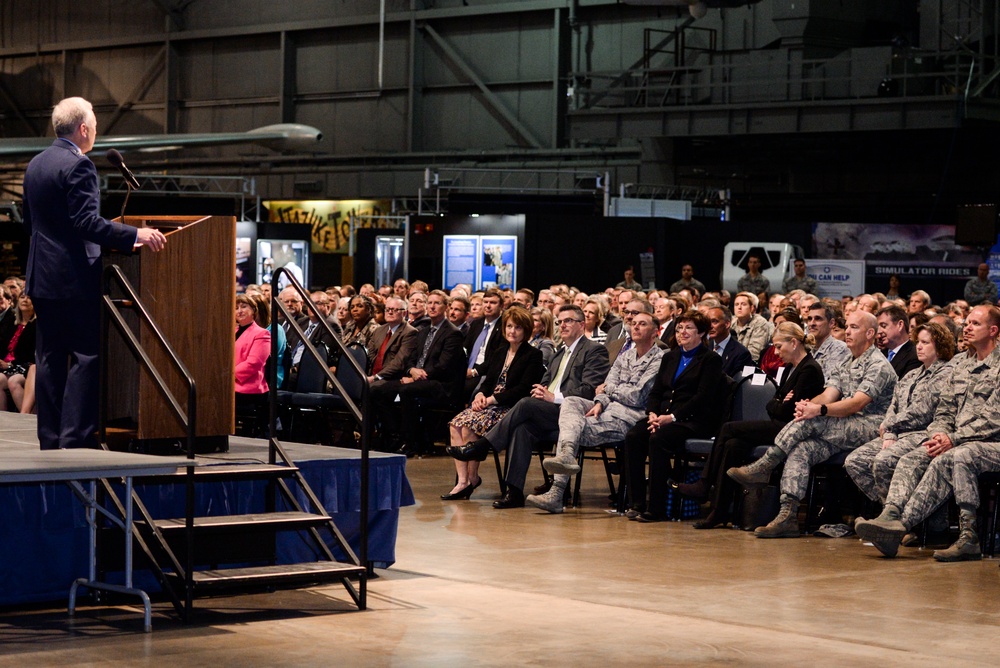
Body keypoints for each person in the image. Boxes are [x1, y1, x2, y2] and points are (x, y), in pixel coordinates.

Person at [21, 97, 166, 450]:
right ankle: (76, 437)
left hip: (41, 274)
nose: (97, 132)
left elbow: (32, 223)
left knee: (50, 358)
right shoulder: (79, 166)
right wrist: (135, 234)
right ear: (83, 128)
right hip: (72, 277)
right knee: (86, 356)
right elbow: (86, 223)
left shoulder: (35, 165)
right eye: (96, 126)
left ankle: (51, 437)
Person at [727, 311, 897, 538]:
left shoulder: (879, 365)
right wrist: (808, 406)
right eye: (847, 327)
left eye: (854, 327)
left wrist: (819, 410)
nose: (847, 331)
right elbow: (829, 394)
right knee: (802, 449)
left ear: (870, 334)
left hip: (872, 426)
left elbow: (857, 403)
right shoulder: (846, 359)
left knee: (813, 421)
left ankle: (765, 465)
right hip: (842, 426)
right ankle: (788, 515)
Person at [855, 305, 1000, 561]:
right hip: (953, 440)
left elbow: (994, 419)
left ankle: (966, 537)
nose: (966, 327)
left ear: (993, 331)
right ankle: (891, 516)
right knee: (913, 457)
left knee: (955, 457)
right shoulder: (962, 363)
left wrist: (952, 439)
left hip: (990, 442)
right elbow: (944, 409)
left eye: (975, 324)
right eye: (966, 322)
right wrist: (939, 434)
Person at [446, 304, 610, 509]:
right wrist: (541, 392)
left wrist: (553, 397)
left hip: (573, 413)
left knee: (524, 403)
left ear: (581, 324)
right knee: (521, 428)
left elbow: (588, 390)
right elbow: (543, 382)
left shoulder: (594, 350)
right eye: (560, 322)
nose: (562, 325)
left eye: (568, 321)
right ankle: (514, 492)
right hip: (548, 411)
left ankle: (484, 445)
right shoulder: (560, 354)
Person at [674, 322, 825, 529]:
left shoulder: (809, 369)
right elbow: (773, 403)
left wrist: (780, 403)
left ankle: (704, 483)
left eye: (779, 346)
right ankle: (719, 510)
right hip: (778, 423)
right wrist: (780, 402)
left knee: (728, 428)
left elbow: (785, 410)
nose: (776, 352)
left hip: (790, 430)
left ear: (794, 342)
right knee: (732, 445)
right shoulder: (792, 368)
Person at [527, 310, 665, 513]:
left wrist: (607, 391)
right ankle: (565, 457)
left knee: (571, 431)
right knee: (572, 401)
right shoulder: (625, 356)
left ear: (655, 332)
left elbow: (636, 396)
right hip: (607, 408)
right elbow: (606, 387)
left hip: (628, 417)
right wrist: (600, 401)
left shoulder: (659, 359)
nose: (635, 327)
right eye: (633, 323)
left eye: (642, 324)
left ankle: (556, 493)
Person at [623, 310, 726, 523]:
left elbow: (702, 398)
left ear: (702, 333)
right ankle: (637, 502)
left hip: (693, 420)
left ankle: (657, 507)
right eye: (679, 328)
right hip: (662, 417)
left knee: (659, 439)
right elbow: (657, 391)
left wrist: (672, 418)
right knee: (634, 436)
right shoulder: (670, 356)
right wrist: (652, 414)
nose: (682, 332)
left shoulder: (710, 360)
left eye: (688, 328)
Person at [844, 322, 954, 512]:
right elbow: (893, 405)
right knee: (855, 461)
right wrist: (889, 432)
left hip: (922, 432)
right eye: (918, 342)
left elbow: (922, 412)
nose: (918, 346)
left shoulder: (946, 373)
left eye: (925, 343)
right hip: (897, 432)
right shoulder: (912, 374)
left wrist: (889, 426)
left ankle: (898, 517)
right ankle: (893, 511)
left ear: (939, 346)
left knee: (883, 461)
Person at [443, 307, 544, 500]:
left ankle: (471, 479)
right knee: (456, 424)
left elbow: (522, 389)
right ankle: (463, 481)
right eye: (509, 326)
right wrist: (481, 394)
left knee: (468, 427)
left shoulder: (532, 355)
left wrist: (491, 399)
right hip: (490, 403)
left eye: (518, 328)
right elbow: (489, 381)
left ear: (526, 330)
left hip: (511, 407)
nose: (512, 331)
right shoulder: (500, 351)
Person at [369, 290, 466, 457]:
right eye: (430, 303)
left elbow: (443, 366)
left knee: (406, 390)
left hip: (441, 384)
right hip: (418, 379)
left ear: (447, 307)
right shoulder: (423, 331)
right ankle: (393, 435)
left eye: (437, 303)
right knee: (377, 389)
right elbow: (410, 360)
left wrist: (417, 376)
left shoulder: (453, 333)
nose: (432, 306)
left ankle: (409, 441)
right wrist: (411, 370)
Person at [234, 294, 271, 429]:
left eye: (244, 307)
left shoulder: (262, 334)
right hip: (229, 384)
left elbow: (254, 363)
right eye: (236, 308)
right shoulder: (231, 331)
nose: (240, 311)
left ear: (254, 311)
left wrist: (228, 375)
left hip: (249, 387)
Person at [367, 297, 418, 383]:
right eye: (387, 309)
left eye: (395, 310)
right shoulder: (379, 330)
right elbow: (370, 354)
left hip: (391, 378)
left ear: (404, 313)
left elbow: (399, 363)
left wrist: (376, 377)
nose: (390, 312)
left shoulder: (410, 332)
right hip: (371, 375)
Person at [0, 293, 37, 412]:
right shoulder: (12, 323)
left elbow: (31, 354)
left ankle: (26, 419)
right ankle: (4, 419)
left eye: (29, 297)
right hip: (7, 366)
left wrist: (11, 364)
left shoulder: (37, 325)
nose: (25, 300)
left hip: (26, 366)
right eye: (22, 297)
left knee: (13, 381)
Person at [706, 305, 753, 379]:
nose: (710, 326)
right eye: (708, 322)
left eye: (714, 322)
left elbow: (737, 384)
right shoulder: (704, 346)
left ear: (727, 324)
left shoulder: (741, 353)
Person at [875, 304, 921, 377]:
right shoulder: (879, 354)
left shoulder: (915, 355)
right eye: (877, 327)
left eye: (883, 326)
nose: (879, 332)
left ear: (900, 325)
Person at [731, 291, 774, 364]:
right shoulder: (731, 322)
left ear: (752, 308)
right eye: (736, 304)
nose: (739, 307)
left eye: (743, 304)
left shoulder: (760, 323)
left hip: (749, 365)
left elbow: (754, 354)